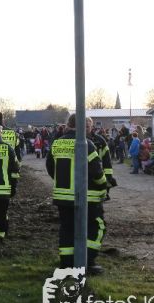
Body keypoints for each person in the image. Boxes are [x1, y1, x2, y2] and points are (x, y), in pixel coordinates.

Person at [46, 114, 109, 275]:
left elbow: (50, 167)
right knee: (97, 226)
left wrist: (61, 181)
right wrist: (104, 185)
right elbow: (96, 170)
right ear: (82, 125)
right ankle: (87, 262)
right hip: (86, 196)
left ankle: (66, 264)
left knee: (67, 229)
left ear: (68, 124)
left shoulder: (57, 143)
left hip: (62, 196)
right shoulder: (86, 143)